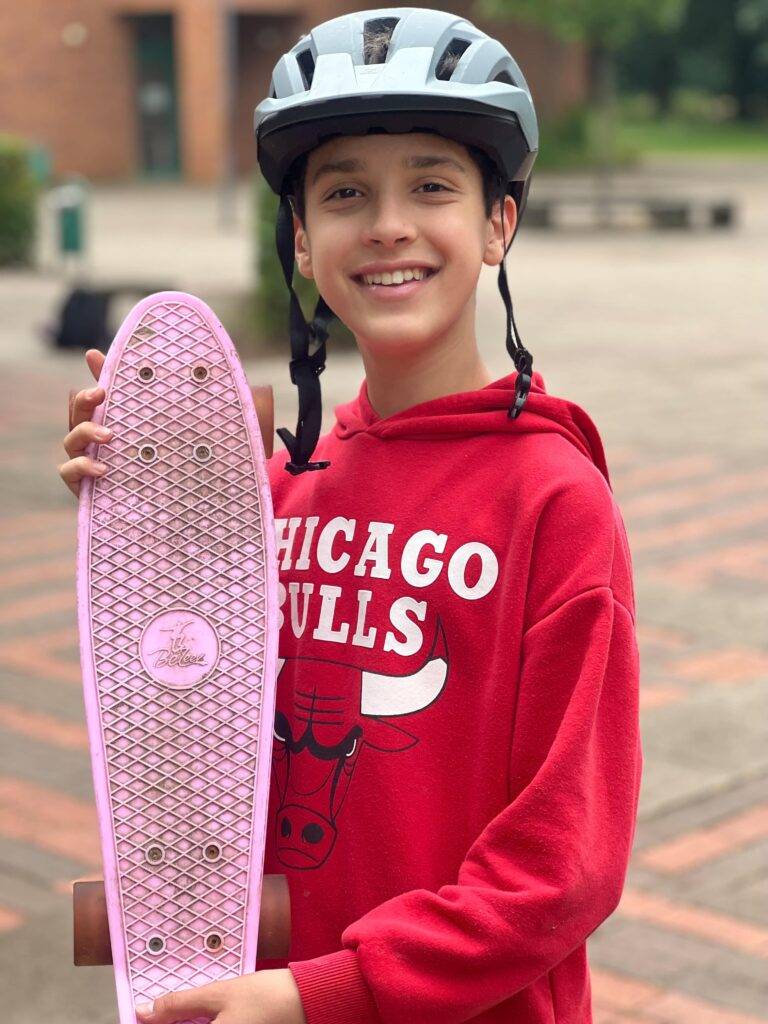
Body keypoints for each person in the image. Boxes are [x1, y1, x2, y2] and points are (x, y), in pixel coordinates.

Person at [59, 9, 642, 1023]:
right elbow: (201, 755)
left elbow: (564, 863)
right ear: (302, 240)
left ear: (499, 224)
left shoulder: (554, 502)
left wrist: (330, 988)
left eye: (432, 186)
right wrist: (140, 521)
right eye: (343, 194)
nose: (386, 225)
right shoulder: (277, 493)